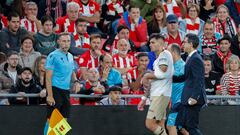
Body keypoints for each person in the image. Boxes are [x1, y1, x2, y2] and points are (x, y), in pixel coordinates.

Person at [138, 33, 174, 135]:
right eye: (150, 42)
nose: (150, 45)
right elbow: (154, 80)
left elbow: (163, 73)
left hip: (161, 95)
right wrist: (144, 98)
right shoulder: (158, 59)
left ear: (161, 43)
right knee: (160, 124)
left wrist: (147, 76)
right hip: (158, 94)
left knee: (150, 124)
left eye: (153, 42)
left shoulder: (164, 54)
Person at [45, 32, 81, 119]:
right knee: (52, 120)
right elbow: (48, 77)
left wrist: (76, 81)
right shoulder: (53, 55)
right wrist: (50, 95)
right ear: (58, 42)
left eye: (68, 41)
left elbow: (72, 71)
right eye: (64, 41)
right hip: (55, 90)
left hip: (66, 90)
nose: (66, 44)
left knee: (64, 120)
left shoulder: (70, 56)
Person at [176, 33, 207, 135]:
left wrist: (194, 97)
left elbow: (199, 79)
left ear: (191, 44)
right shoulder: (190, 57)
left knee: (191, 127)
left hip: (192, 100)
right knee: (184, 126)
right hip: (187, 98)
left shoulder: (196, 59)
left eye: (184, 42)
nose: (182, 45)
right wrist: (170, 78)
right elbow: (186, 76)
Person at [166, 44, 187, 135]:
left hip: (181, 101)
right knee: (181, 128)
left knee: (170, 125)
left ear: (173, 53)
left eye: (168, 52)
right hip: (175, 101)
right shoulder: (172, 66)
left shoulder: (183, 66)